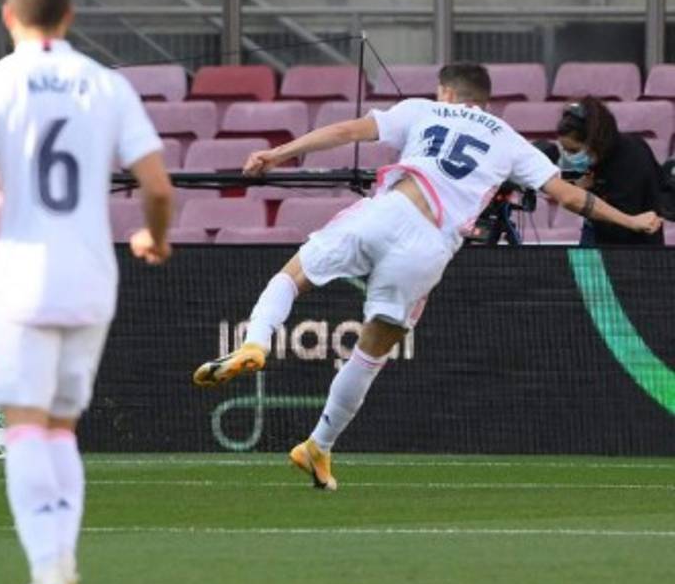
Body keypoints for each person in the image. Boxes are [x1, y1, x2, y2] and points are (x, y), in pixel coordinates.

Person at [193, 63, 662, 491]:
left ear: (446, 92)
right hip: (431, 245)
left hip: (391, 208)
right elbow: (571, 197)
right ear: (484, 100)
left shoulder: (421, 109)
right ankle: (318, 445)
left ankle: (256, 341)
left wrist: (278, 153)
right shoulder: (508, 138)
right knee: (370, 354)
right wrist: (633, 221)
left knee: (291, 278)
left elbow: (344, 130)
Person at [0, 0, 173, 584]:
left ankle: (48, 574)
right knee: (62, 430)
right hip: (92, 275)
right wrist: (154, 237)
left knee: (25, 427)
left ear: (9, 17)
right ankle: (60, 568)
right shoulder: (106, 83)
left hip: (20, 278)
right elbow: (158, 187)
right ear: (69, 17)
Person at [556, 97, 665, 246]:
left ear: (595, 140)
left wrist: (585, 195)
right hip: (598, 236)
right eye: (566, 150)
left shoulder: (631, 160)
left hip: (634, 251)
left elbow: (621, 229)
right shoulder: (599, 157)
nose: (570, 157)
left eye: (574, 150)